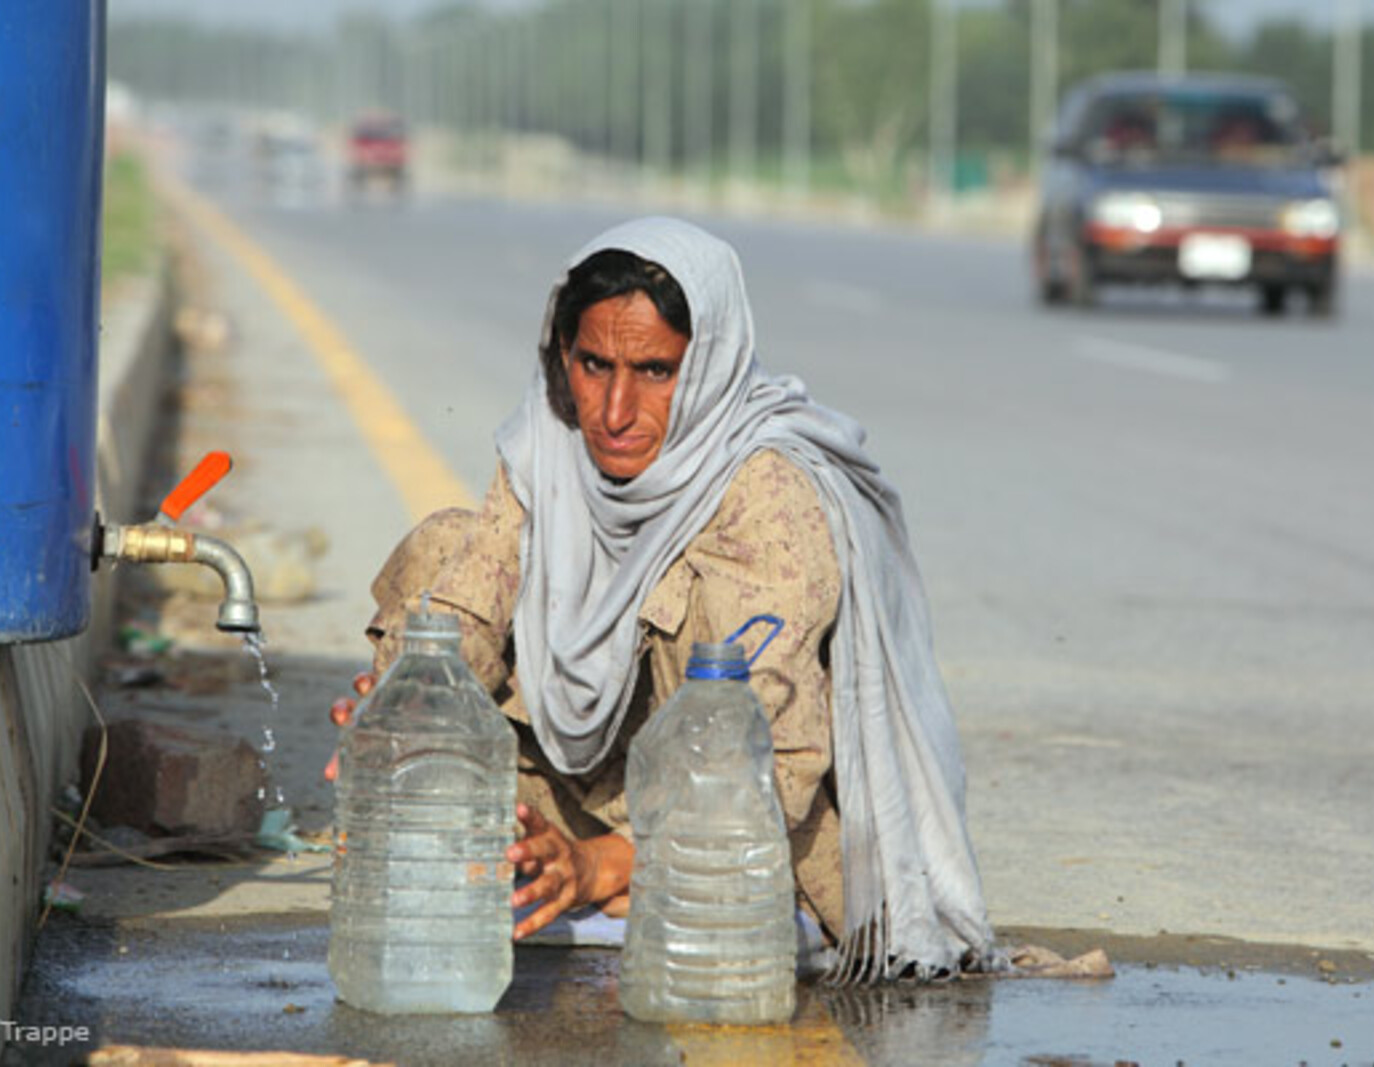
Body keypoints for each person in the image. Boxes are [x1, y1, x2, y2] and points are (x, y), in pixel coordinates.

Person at [328, 216, 1000, 983]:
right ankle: (551, 865)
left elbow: (774, 763)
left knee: (713, 647)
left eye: (654, 371)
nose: (612, 412)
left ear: (707, 367)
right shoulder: (546, 445)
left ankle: (616, 881)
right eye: (592, 364)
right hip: (584, 800)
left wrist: (602, 864)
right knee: (447, 545)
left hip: (742, 835)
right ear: (561, 358)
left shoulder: (767, 493)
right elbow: (475, 599)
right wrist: (410, 706)